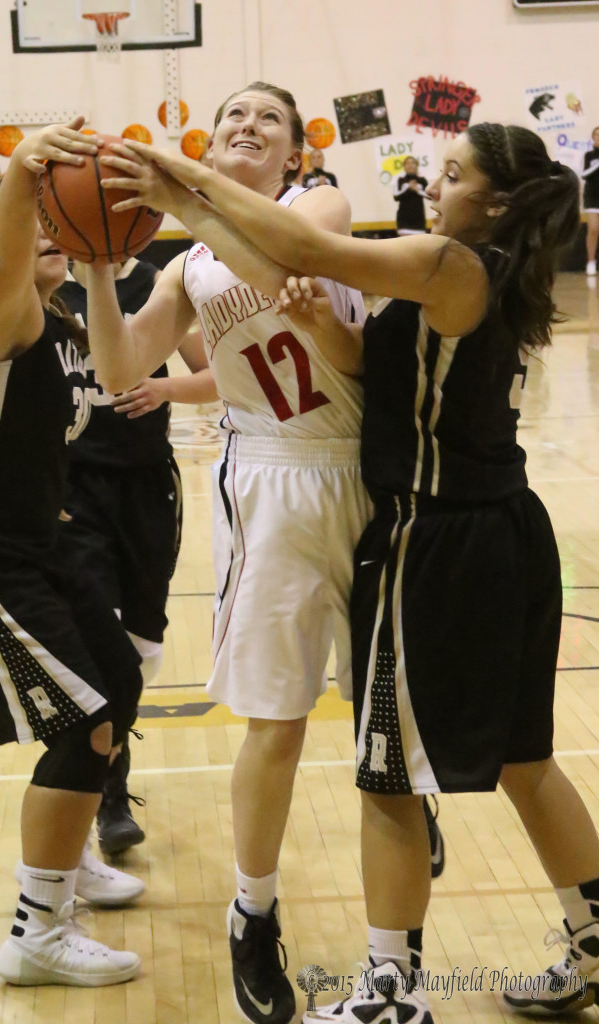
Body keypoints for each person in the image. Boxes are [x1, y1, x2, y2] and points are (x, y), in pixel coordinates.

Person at [117, 123, 599, 1021]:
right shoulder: (494, 273)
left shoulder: (448, 263)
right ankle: (594, 938)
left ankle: (391, 991)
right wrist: (307, 320)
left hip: (435, 539)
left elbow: (301, 242)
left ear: (490, 201)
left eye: (450, 174)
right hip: (509, 529)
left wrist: (175, 180)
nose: (432, 183)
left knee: (387, 776)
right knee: (526, 759)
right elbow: (372, 364)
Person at [77, 81, 373, 1024]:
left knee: (390, 706)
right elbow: (124, 368)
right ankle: (254, 911)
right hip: (273, 480)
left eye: (266, 121)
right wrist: (94, 265)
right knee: (276, 716)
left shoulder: (316, 202)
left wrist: (184, 192)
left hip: (375, 470)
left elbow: (292, 250)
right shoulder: (186, 264)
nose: (245, 126)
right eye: (230, 117)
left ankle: (407, 835)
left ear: (293, 152)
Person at [0, 120, 144, 987]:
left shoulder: (60, 324)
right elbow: (9, 255)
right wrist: (22, 174)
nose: (51, 228)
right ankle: (37, 932)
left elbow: (126, 378)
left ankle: (67, 856)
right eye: (36, 220)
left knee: (116, 681)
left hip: (35, 543)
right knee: (81, 726)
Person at [56, 256, 216, 856]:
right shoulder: (46, 291)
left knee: (141, 651)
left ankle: (105, 764)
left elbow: (222, 373)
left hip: (147, 486)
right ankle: (107, 791)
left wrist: (165, 387)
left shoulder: (160, 283)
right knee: (100, 645)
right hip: (72, 489)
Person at [393, 156, 428, 235]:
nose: (410, 165)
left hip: (419, 221)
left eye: (413, 163)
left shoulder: (422, 180)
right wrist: (408, 188)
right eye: (407, 163)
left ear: (417, 165)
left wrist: (417, 190)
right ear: (404, 167)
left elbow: (430, 196)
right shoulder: (400, 180)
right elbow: (396, 197)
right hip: (404, 221)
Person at [582, 126, 599, 276]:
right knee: (593, 228)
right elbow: (584, 174)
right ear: (593, 138)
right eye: (597, 135)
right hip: (592, 197)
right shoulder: (589, 156)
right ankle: (591, 261)